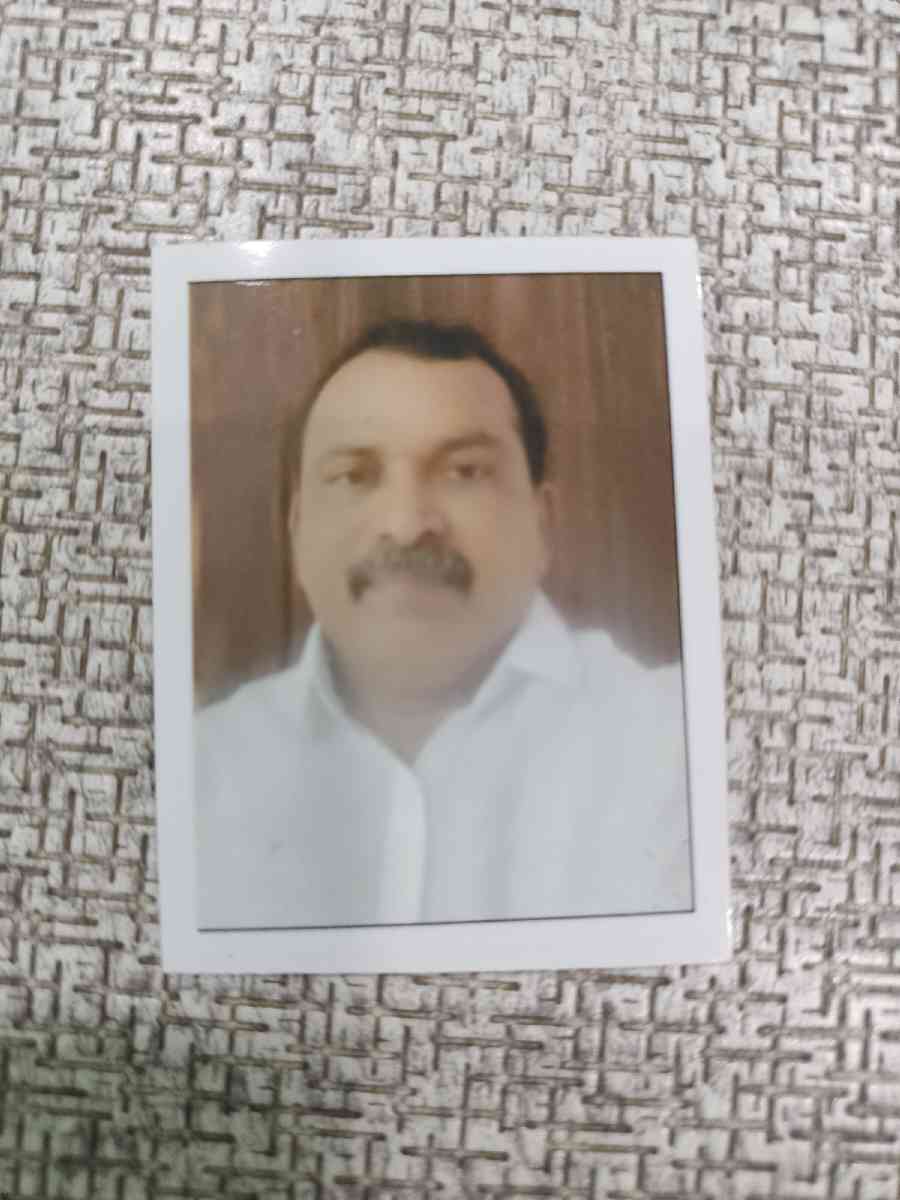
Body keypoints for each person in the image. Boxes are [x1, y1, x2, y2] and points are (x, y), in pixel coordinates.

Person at [194, 320, 692, 930]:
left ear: (543, 524)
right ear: (298, 532)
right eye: (354, 475)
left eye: (465, 472)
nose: (406, 526)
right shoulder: (195, 772)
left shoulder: (682, 751)